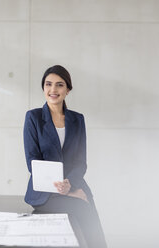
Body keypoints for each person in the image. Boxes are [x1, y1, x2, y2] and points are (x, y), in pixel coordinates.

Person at [23, 65, 107, 247]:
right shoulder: (33, 117)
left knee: (93, 224)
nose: (53, 90)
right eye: (48, 84)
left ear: (67, 90)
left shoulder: (77, 119)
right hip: (45, 191)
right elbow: (32, 161)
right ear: (43, 88)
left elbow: (80, 162)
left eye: (59, 85)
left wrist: (70, 185)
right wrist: (64, 188)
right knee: (82, 209)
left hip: (74, 183)